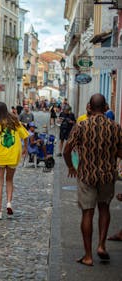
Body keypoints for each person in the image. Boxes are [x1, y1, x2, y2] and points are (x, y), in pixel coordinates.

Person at [63, 94, 122, 266]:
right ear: (106, 108)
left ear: (89, 106)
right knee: (104, 209)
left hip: (86, 175)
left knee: (87, 213)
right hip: (107, 175)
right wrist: (110, 153)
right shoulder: (115, 127)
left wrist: (71, 167)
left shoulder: (81, 126)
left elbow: (67, 150)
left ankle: (88, 256)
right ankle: (102, 245)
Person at [0, 102, 29, 219]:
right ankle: (9, 203)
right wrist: (25, 148)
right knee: (10, 180)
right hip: (13, 155)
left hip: (0, 156)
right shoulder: (15, 122)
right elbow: (26, 136)